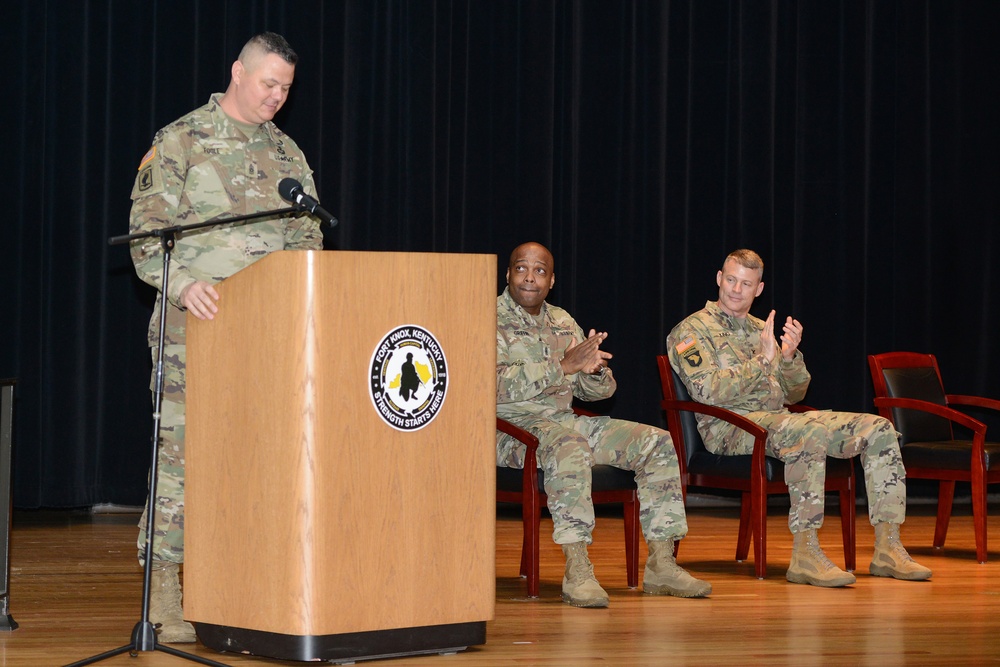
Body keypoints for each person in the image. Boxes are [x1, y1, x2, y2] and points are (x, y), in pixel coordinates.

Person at [128, 32, 324, 642]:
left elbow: (307, 242)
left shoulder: (288, 154)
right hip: (195, 327)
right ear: (237, 72)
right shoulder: (181, 139)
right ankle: (162, 586)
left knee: (258, 461)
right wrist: (183, 283)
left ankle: (243, 585)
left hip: (268, 336)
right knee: (184, 458)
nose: (277, 97)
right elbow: (144, 236)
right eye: (269, 83)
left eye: (286, 89)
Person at [667, 249, 931, 587]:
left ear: (758, 290)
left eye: (745, 284)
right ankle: (805, 554)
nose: (736, 289)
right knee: (806, 431)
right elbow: (708, 391)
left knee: (878, 427)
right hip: (730, 427)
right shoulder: (690, 331)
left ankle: (888, 548)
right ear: (719, 279)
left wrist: (789, 358)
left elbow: (795, 394)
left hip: (778, 420)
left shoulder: (762, 329)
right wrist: (761, 362)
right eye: (730, 280)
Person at [496, 241, 711, 608]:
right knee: (570, 446)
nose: (529, 277)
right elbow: (486, 384)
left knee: (657, 442)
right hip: (509, 429)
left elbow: (598, 393)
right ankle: (577, 568)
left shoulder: (563, 321)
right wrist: (561, 366)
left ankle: (662, 563)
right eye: (521, 268)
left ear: (552, 281)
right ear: (508, 274)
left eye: (540, 271)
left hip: (562, 422)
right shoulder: (485, 318)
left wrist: (595, 371)